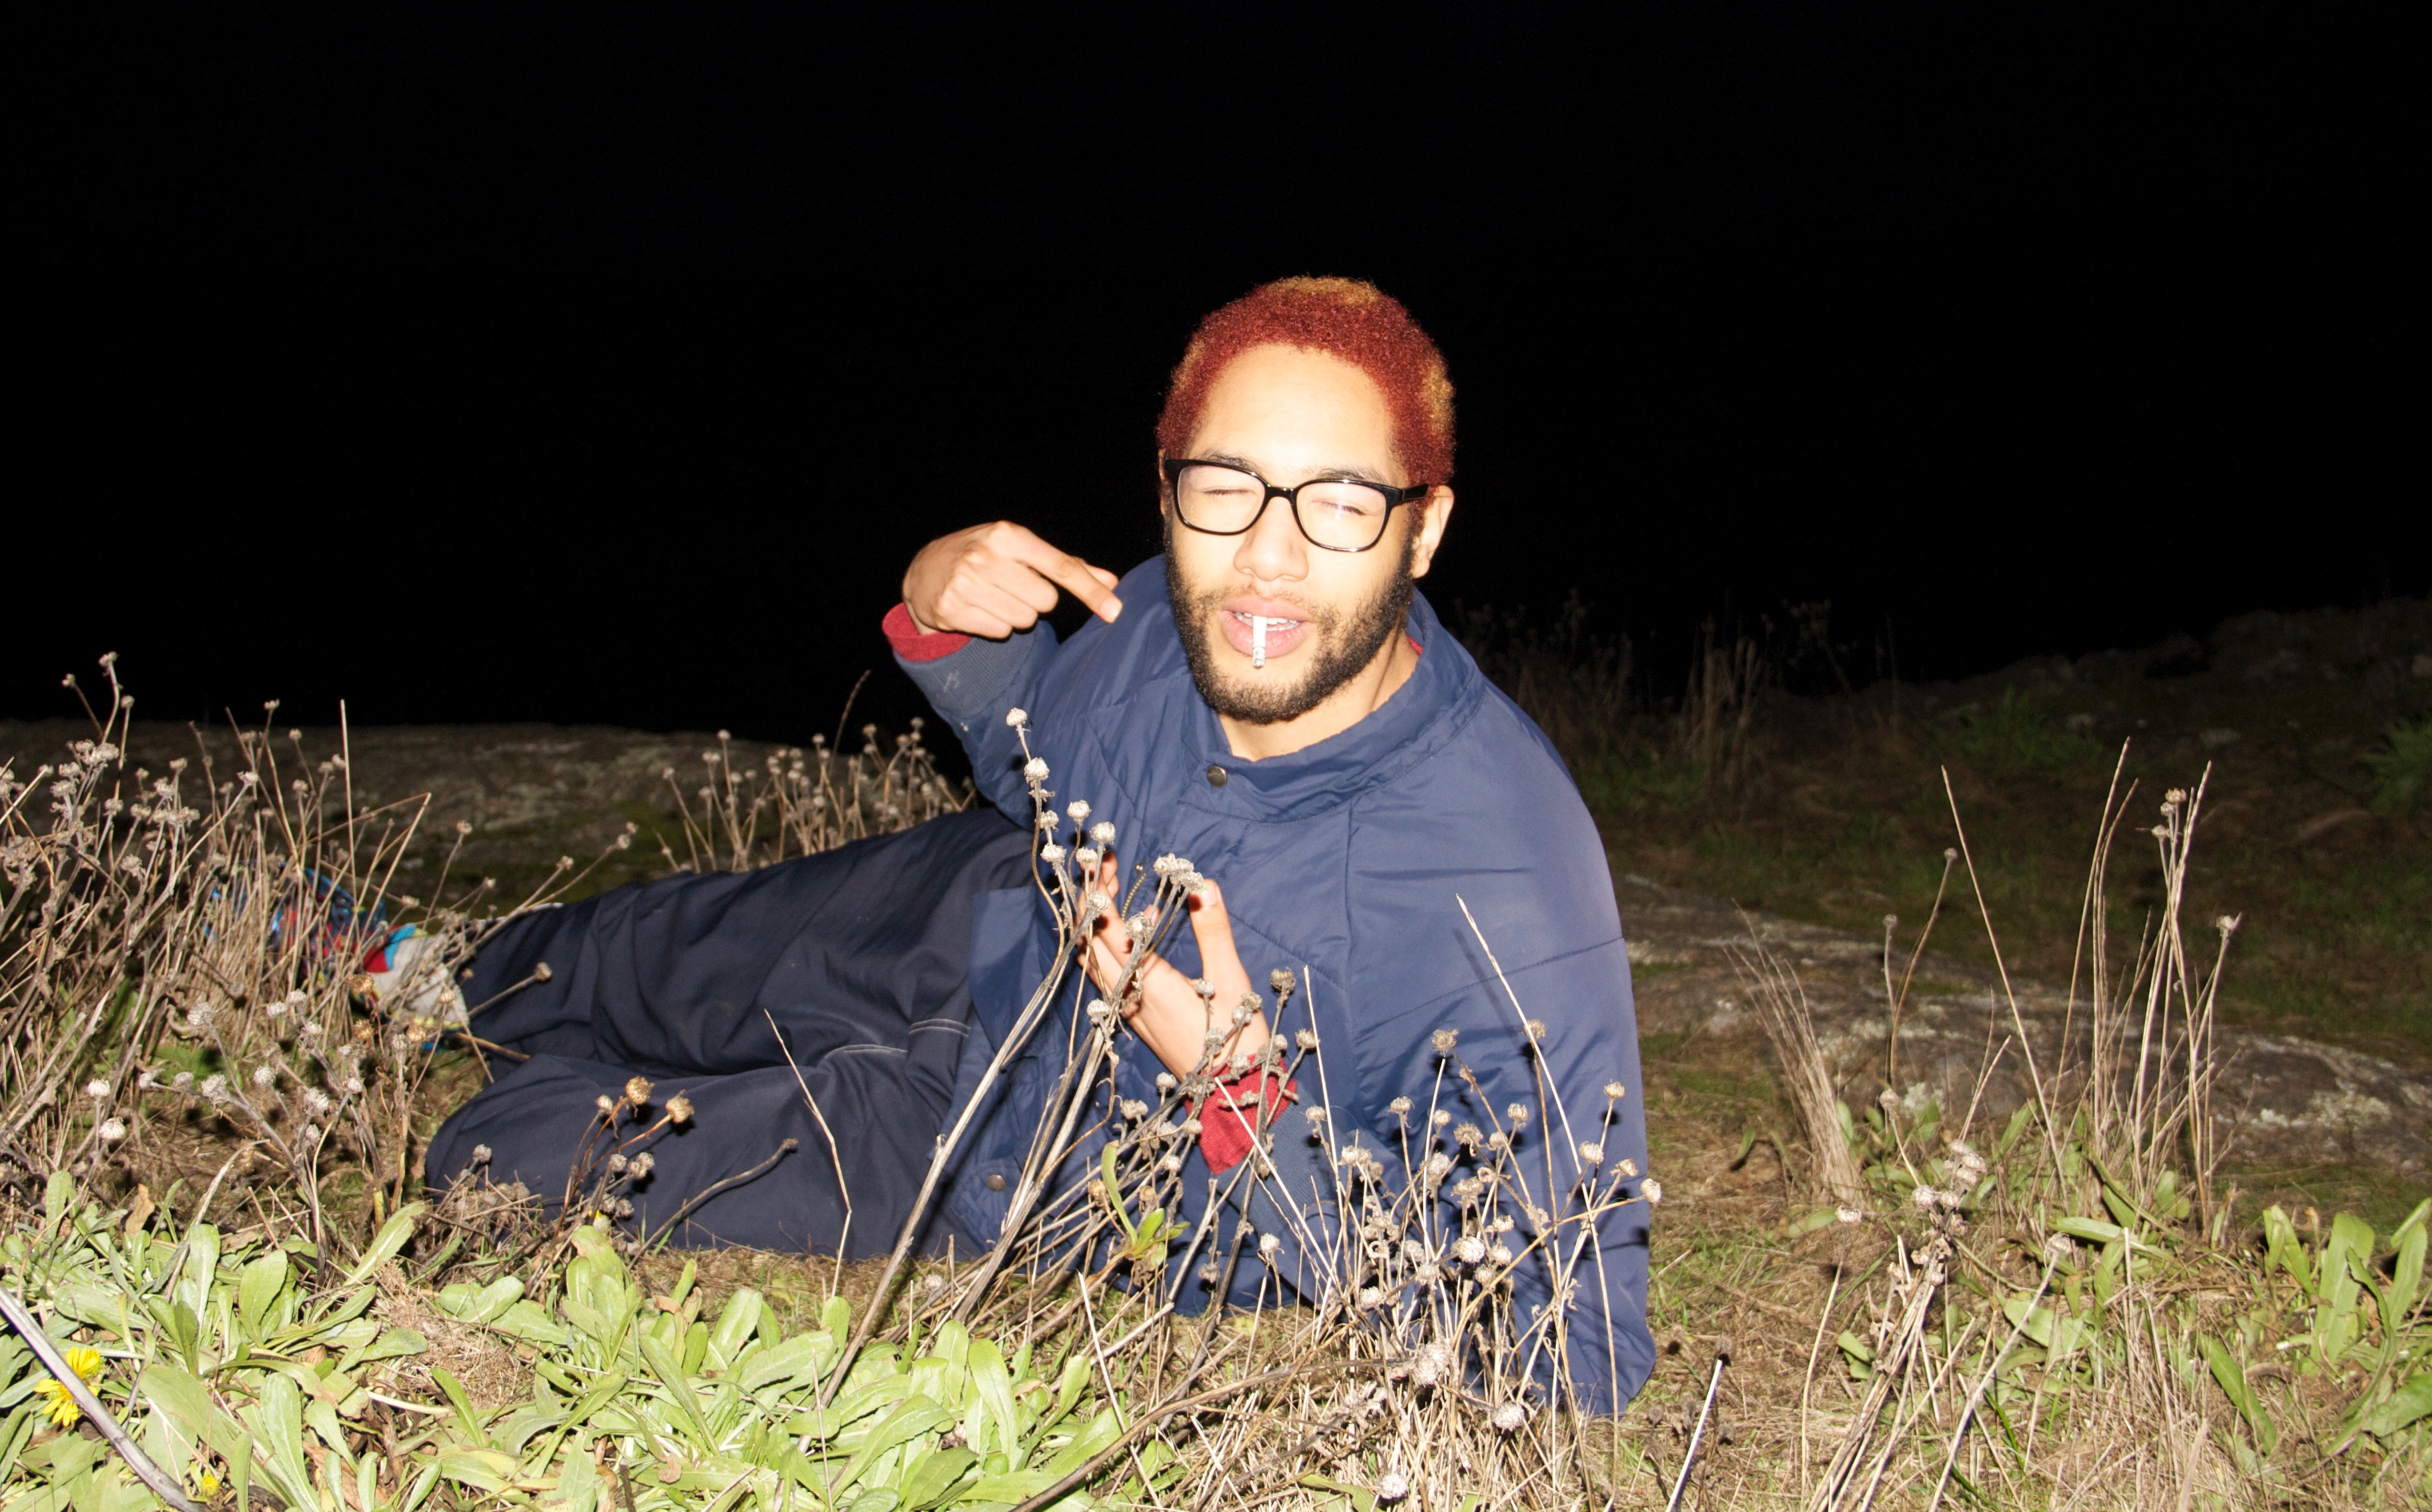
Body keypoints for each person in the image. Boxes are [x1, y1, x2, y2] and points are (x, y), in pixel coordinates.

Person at [426, 277, 1653, 1409]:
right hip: (961, 918)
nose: (1268, 559)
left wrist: (1239, 1100)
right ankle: (397, 966)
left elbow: (1583, 1341)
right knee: (603, 957)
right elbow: (1043, 769)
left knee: (508, 1152)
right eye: (1227, 486)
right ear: (1169, 486)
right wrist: (947, 617)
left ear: (1423, 528)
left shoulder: (1508, 879)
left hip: (994, 1154)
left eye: (1340, 502)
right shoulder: (1169, 621)